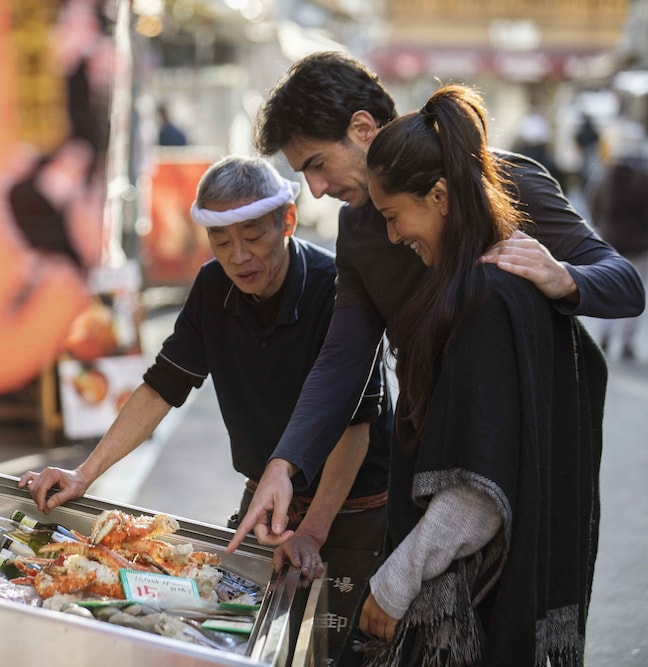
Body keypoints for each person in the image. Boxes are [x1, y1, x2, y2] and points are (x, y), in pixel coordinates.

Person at [227, 51, 643, 565]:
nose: (315, 188)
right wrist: (283, 465)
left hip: (515, 467)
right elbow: (343, 359)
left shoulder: (501, 183)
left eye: (316, 164)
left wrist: (565, 278)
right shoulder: (357, 229)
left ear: (361, 128)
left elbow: (625, 284)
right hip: (427, 461)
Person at [19, 155, 392, 659]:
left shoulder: (337, 288)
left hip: (349, 512)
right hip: (264, 503)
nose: (238, 257)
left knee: (335, 651)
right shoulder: (213, 286)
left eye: (253, 236)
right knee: (240, 637)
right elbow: (161, 387)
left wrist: (313, 531)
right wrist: (85, 474)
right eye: (222, 241)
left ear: (287, 219)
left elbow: (357, 425)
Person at [341, 82, 606, 665]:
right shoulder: (495, 277)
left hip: (474, 604)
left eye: (393, 216)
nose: (391, 235)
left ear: (438, 195)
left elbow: (476, 494)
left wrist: (393, 584)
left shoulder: (486, 296)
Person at [586, 123, 648, 360]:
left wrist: (602, 226)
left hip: (610, 241)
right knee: (635, 291)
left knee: (611, 289)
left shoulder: (603, 177)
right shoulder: (644, 180)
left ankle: (605, 335)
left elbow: (593, 206)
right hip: (639, 246)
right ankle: (628, 342)